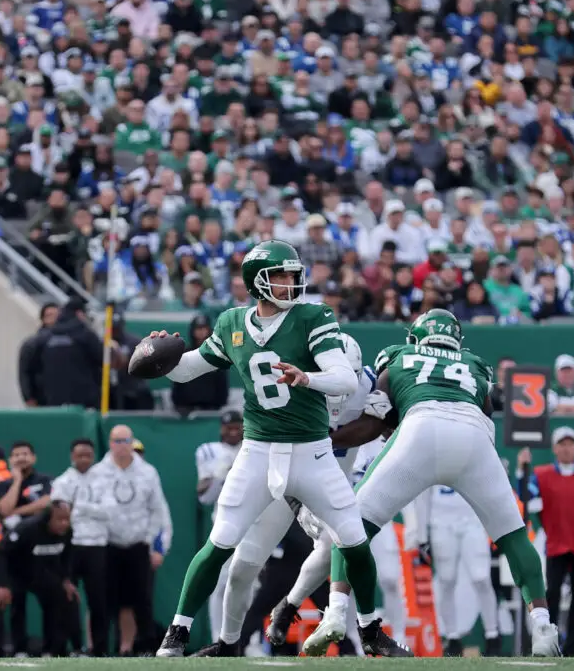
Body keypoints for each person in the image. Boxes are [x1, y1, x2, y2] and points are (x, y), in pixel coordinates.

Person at [148, 239, 404, 658]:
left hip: (313, 450)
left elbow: (340, 377)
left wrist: (307, 378)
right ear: (256, 282)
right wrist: (162, 354)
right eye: (281, 275)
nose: (291, 282)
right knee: (227, 549)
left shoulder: (312, 316)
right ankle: (186, 636)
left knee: (355, 540)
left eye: (293, 274)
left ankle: (371, 630)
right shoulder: (232, 321)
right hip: (259, 451)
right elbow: (187, 370)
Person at [303, 309, 560, 657]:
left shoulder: (399, 355)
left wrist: (329, 439)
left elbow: (375, 421)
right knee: (514, 535)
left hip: (420, 429)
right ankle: (543, 627)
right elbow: (486, 411)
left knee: (351, 523)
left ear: (416, 337)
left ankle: (335, 612)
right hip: (473, 436)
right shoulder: (474, 363)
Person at [198, 334, 393, 656]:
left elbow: (383, 427)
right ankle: (228, 642)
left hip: (329, 486)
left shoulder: (370, 386)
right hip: (283, 485)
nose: (341, 391)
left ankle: (291, 609)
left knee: (340, 545)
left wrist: (381, 423)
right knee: (243, 566)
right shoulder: (289, 386)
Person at [526, 427, 574, 657]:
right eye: (562, 444)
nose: (567, 448)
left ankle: (571, 648)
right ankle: (549, 643)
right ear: (555, 448)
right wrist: (522, 470)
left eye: (571, 443)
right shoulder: (541, 474)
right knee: (551, 595)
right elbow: (527, 494)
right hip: (556, 545)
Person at [98, 425, 172, 656]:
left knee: (140, 599)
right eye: (116, 441)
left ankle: (137, 647)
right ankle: (98, 647)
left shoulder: (148, 473)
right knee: (103, 599)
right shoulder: (98, 472)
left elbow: (159, 512)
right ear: (110, 443)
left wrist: (156, 545)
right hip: (106, 544)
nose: (121, 446)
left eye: (125, 441)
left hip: (139, 544)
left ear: (132, 442)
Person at [0, 502, 81, 658]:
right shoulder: (27, 528)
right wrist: (2, 584)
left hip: (42, 572)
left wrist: (66, 579)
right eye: (60, 519)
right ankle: (19, 649)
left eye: (67, 519)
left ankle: (53, 649)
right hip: (16, 571)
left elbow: (67, 556)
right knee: (16, 604)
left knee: (59, 599)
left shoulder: (67, 532)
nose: (64, 523)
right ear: (47, 519)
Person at [50, 439, 111, 656]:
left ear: (93, 456)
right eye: (79, 455)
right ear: (72, 456)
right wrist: (90, 510)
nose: (84, 459)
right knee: (66, 598)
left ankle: (100, 648)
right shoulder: (63, 481)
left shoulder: (105, 480)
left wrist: (79, 506)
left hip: (97, 545)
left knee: (98, 600)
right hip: (71, 545)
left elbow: (110, 511)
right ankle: (68, 647)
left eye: (88, 455)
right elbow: (60, 514)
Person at [0, 441, 53, 657]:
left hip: (42, 550)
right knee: (17, 603)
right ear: (10, 460)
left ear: (34, 457)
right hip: (14, 552)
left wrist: (18, 511)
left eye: (25, 454)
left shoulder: (44, 480)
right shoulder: (4, 484)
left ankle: (50, 647)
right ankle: (19, 648)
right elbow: (3, 510)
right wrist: (17, 480)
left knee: (49, 601)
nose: (21, 458)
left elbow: (47, 503)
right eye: (16, 455)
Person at [430, 484, 501, 657]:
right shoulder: (432, 457)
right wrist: (420, 534)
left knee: (481, 578)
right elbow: (422, 493)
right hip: (441, 521)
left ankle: (492, 635)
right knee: (446, 580)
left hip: (472, 520)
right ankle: (452, 637)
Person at [197, 411, 244, 644]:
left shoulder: (254, 447)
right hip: (225, 522)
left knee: (251, 585)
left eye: (238, 426)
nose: (233, 431)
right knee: (221, 583)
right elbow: (204, 497)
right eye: (228, 427)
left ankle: (249, 638)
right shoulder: (209, 451)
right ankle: (218, 638)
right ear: (220, 428)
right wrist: (218, 475)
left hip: (257, 525)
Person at [28, 298, 103, 409]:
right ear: (79, 313)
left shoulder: (44, 338)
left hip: (51, 400)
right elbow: (101, 358)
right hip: (84, 402)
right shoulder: (86, 335)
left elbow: (31, 368)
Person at [18, 302, 58, 407]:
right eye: (49, 315)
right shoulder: (32, 344)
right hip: (40, 397)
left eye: (56, 316)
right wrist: (28, 397)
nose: (54, 319)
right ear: (43, 319)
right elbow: (24, 372)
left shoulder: (67, 341)